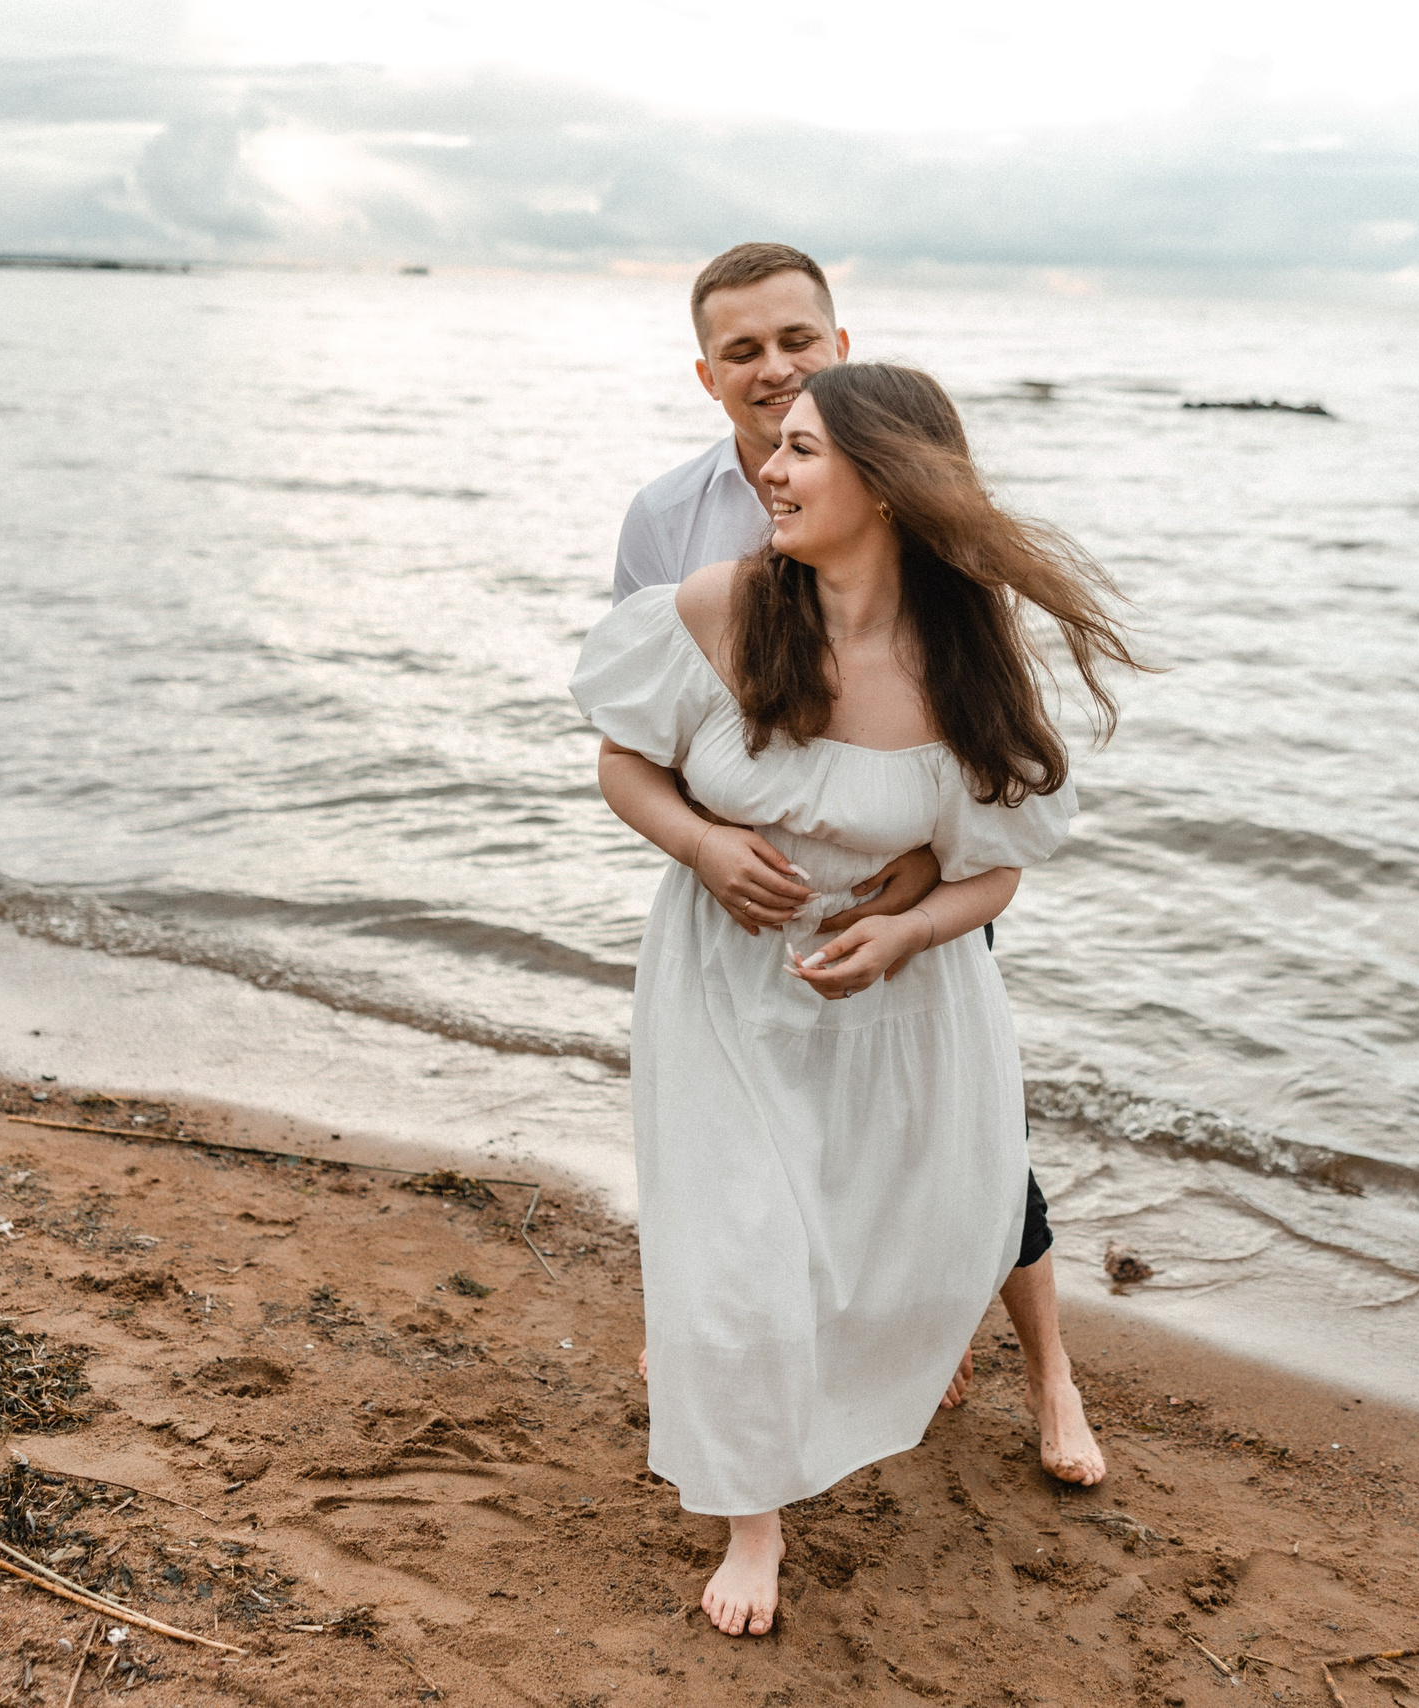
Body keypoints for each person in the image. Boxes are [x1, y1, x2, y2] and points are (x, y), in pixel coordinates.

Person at [572, 361, 1142, 1636]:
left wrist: (911, 926)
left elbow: (995, 875)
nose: (767, 468)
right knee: (735, 1252)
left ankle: (973, 1384)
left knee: (907, 1242)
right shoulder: (723, 608)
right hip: (720, 985)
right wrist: (702, 845)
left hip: (894, 1006)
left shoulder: (964, 664)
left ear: (886, 485)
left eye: (804, 452)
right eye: (774, 447)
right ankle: (752, 1517)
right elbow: (622, 760)